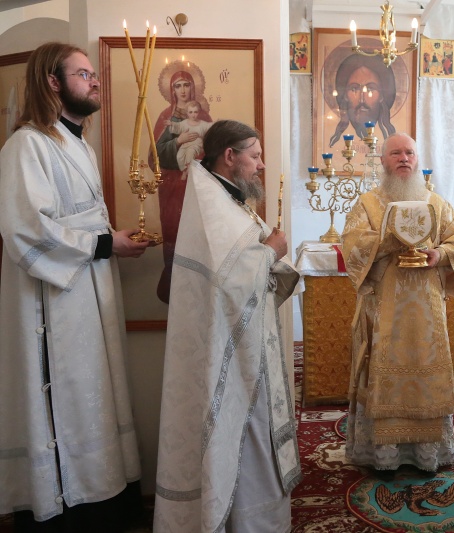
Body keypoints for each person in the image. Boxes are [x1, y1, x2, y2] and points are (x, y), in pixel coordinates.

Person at [0, 41, 151, 532]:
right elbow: (25, 229)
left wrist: (111, 242)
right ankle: (66, 502)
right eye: (84, 74)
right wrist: (107, 245)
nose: (95, 81)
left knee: (95, 390)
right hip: (53, 299)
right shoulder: (27, 144)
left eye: (93, 74)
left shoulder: (78, 144)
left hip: (88, 291)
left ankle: (102, 494)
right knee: (63, 392)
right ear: (53, 81)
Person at [153, 120, 301, 533]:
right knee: (242, 432)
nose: (261, 163)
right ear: (230, 156)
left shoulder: (227, 199)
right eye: (254, 155)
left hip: (247, 346)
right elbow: (229, 280)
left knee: (254, 433)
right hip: (233, 356)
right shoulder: (211, 201)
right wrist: (270, 252)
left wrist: (269, 257)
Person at [341, 133, 454, 475]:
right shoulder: (367, 204)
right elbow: (352, 245)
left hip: (426, 308)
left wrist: (439, 254)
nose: (403, 158)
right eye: (395, 153)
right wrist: (385, 240)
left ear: (417, 159)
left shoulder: (437, 203)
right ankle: (382, 453)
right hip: (383, 308)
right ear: (383, 161)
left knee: (425, 368)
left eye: (409, 152)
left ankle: (427, 452)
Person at [152, 68, 213, 303]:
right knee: (174, 232)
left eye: (186, 84)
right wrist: (178, 140)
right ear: (171, 90)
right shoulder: (165, 117)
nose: (183, 90)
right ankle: (171, 286)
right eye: (178, 85)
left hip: (198, 185)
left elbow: (214, 148)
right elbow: (154, 156)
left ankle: (198, 288)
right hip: (172, 188)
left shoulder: (204, 117)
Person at [329, 53, 396, 147]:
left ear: (381, 96)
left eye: (370, 89)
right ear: (345, 95)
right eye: (354, 89)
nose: (361, 99)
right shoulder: (336, 145)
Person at [169, 100, 212, 172]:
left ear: (199, 112)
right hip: (186, 144)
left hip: (196, 145)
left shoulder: (202, 124)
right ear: (187, 113)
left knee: (190, 153)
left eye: (195, 112)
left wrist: (216, 123)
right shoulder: (184, 123)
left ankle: (189, 172)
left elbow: (209, 126)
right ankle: (184, 170)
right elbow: (178, 126)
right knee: (179, 156)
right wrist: (171, 124)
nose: (193, 115)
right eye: (191, 112)